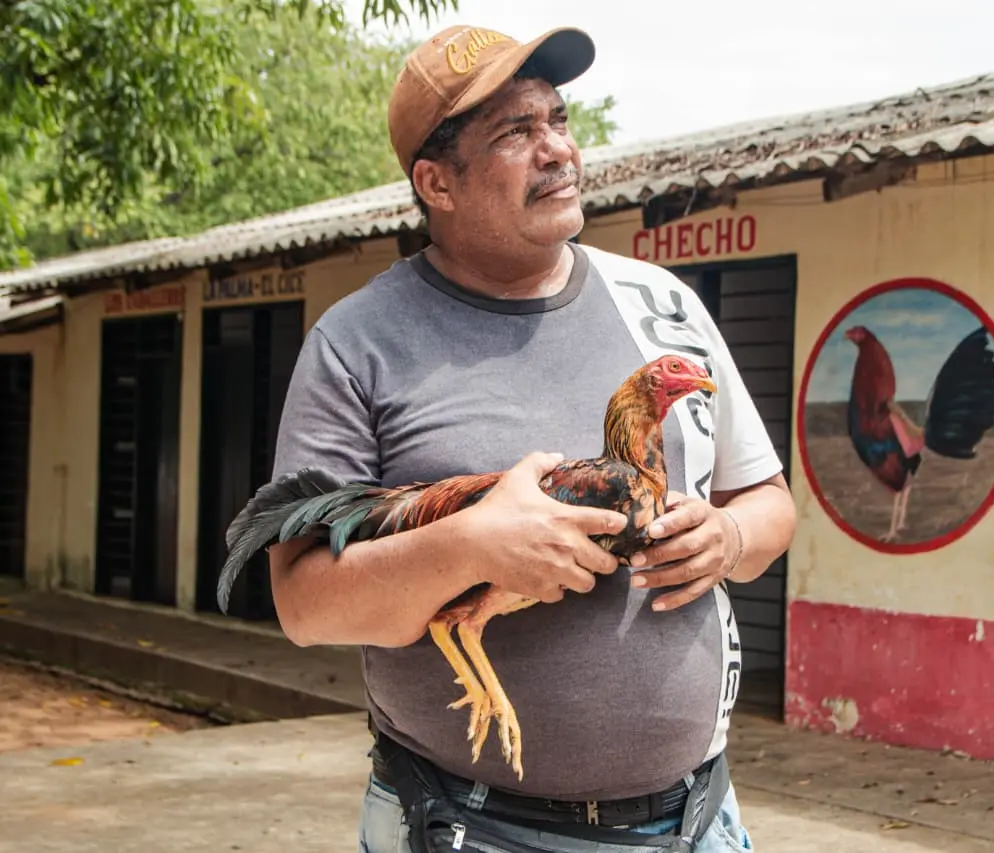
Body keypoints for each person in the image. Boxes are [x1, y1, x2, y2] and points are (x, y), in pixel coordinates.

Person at [265, 21, 797, 853]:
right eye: (517, 132)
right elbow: (303, 602)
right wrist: (472, 544)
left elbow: (768, 503)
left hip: (697, 817)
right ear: (437, 183)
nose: (558, 150)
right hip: (468, 827)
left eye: (557, 119)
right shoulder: (356, 341)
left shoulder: (662, 306)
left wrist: (727, 536)